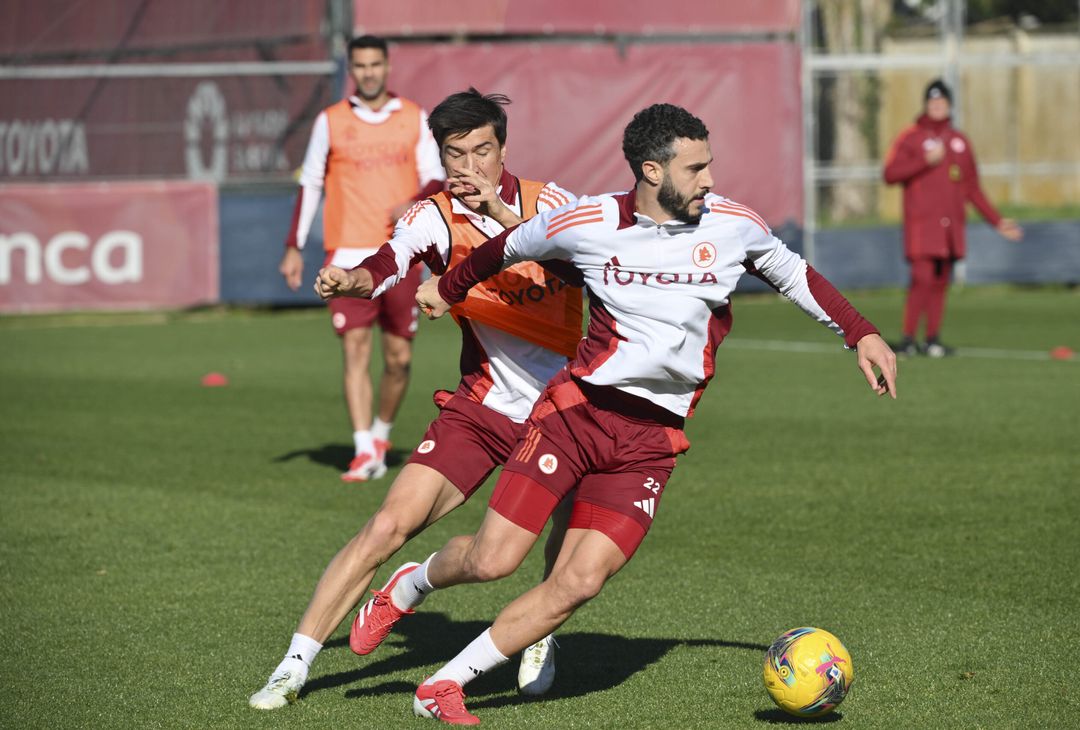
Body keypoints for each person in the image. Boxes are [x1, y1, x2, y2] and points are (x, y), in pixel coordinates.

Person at [372, 103, 896, 725]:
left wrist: (861, 333)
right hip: (576, 418)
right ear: (651, 170)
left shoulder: (734, 225)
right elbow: (504, 249)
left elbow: (797, 275)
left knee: (580, 581)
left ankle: (442, 686)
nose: (708, 179)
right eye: (695, 168)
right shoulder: (589, 220)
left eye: (709, 165)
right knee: (493, 561)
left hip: (652, 441)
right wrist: (448, 286)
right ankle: (412, 583)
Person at [249, 88, 582, 710]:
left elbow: (586, 269)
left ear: (503, 149)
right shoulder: (434, 216)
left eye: (481, 151)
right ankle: (292, 667)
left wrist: (503, 218)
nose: (469, 166)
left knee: (551, 544)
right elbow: (387, 262)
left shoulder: (549, 203)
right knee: (386, 525)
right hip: (482, 408)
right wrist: (353, 279)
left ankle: (538, 634)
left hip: (565, 412)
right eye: (455, 154)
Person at [279, 35, 446, 481]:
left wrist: (412, 202)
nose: (369, 72)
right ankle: (362, 449)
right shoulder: (331, 121)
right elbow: (310, 182)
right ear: (351, 69)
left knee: (399, 359)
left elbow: (436, 178)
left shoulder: (412, 116)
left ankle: (380, 434)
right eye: (361, 65)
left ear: (387, 66)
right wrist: (294, 245)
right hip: (347, 252)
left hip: (401, 253)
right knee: (355, 349)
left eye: (375, 64)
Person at [883, 78, 1023, 358]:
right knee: (921, 279)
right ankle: (908, 338)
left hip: (950, 228)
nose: (937, 106)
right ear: (925, 105)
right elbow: (890, 174)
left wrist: (996, 221)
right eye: (932, 101)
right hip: (922, 226)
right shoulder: (911, 136)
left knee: (940, 282)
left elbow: (972, 188)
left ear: (949, 105)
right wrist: (925, 161)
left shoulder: (959, 141)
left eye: (942, 101)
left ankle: (932, 339)